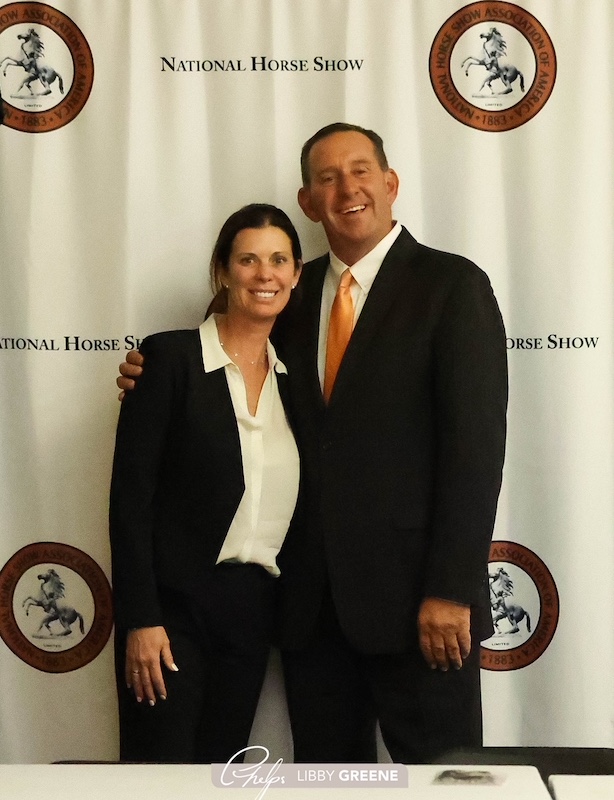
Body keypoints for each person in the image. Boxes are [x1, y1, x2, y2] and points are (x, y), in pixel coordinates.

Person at [118, 123, 508, 764]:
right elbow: (217, 377)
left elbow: (475, 451)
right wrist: (150, 370)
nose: (346, 188)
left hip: (421, 611)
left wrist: (451, 588)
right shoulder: (290, 297)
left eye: (359, 171)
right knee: (327, 783)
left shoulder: (452, 287)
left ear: (390, 184)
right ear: (308, 201)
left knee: (447, 780)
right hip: (311, 617)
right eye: (326, 178)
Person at [109, 203, 303, 763]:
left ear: (294, 275)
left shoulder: (296, 377)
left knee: (221, 774)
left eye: (278, 260)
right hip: (174, 611)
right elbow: (131, 501)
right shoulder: (168, 359)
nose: (264, 274)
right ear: (222, 271)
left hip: (252, 611)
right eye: (248, 259)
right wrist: (141, 621)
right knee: (160, 773)